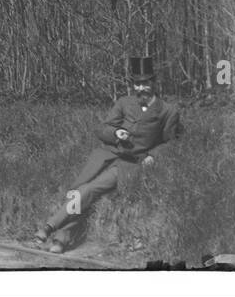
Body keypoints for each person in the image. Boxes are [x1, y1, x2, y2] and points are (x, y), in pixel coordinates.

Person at [35, 56, 184, 254]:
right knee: (78, 189)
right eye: (137, 84)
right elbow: (103, 129)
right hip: (107, 155)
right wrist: (116, 133)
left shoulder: (168, 111)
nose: (141, 89)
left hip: (129, 163)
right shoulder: (124, 102)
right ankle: (62, 240)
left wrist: (154, 155)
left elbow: (171, 142)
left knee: (90, 190)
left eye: (145, 83)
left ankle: (49, 227)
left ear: (154, 83)